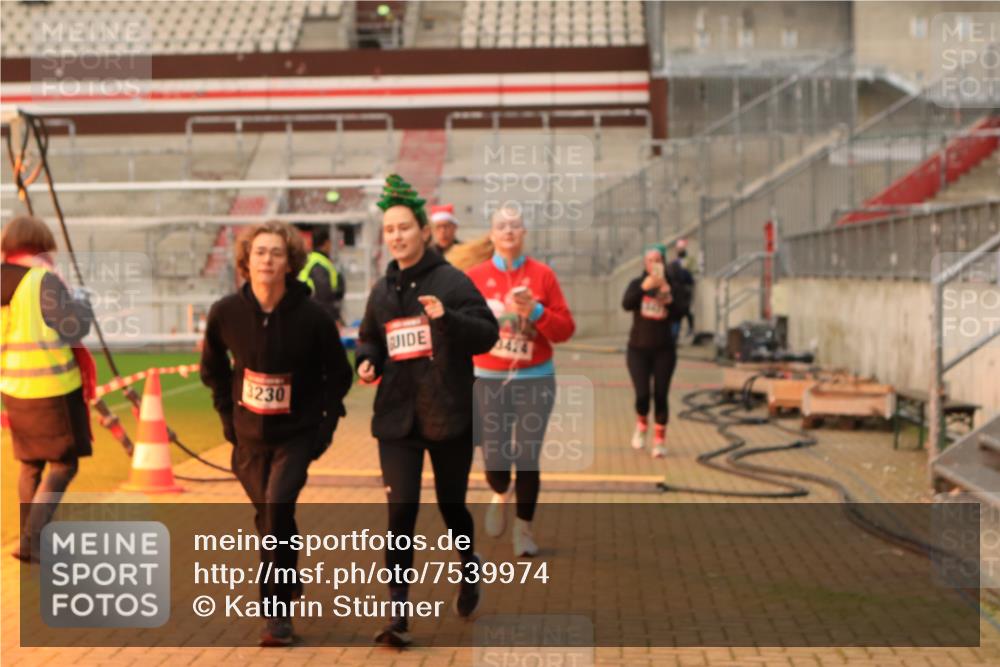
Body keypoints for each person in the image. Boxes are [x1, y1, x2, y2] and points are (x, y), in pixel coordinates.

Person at [356, 175, 499, 648]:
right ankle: (398, 613)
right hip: (397, 419)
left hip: (448, 414)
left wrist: (447, 318)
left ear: (422, 230)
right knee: (401, 512)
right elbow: (371, 337)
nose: (396, 235)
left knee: (451, 506)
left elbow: (487, 333)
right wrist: (368, 361)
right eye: (389, 229)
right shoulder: (381, 290)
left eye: (404, 227)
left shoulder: (452, 281)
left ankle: (468, 566)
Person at [200, 220, 353, 647]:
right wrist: (227, 421)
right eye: (260, 252)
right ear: (246, 262)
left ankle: (276, 614)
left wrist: (323, 428)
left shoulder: (314, 318)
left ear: (290, 263)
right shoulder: (226, 313)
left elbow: (338, 377)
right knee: (271, 519)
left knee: (276, 507)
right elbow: (212, 370)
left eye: (276, 253)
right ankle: (288, 571)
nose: (267, 259)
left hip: (296, 436)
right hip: (247, 439)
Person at [467, 206, 575, 558]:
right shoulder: (475, 277)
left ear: (524, 232)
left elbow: (566, 330)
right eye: (502, 225)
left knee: (527, 455)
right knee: (495, 457)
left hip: (535, 378)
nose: (509, 230)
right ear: (492, 235)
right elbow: (462, 326)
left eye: (515, 225)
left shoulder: (543, 275)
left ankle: (523, 529)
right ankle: (500, 491)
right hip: (488, 378)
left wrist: (537, 313)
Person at [1, 216, 95, 564]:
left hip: (13, 387)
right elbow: (73, 326)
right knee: (63, 463)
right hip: (51, 388)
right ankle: (32, 539)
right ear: (42, 242)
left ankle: (29, 538)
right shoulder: (42, 280)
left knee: (30, 464)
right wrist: (83, 303)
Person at [622, 244, 682, 458]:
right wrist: (644, 288)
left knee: (661, 394)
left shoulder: (671, 285)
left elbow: (680, 312)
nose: (654, 264)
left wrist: (668, 296)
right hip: (638, 349)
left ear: (663, 262)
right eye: (650, 261)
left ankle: (659, 440)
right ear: (644, 264)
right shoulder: (638, 283)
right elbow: (626, 304)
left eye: (658, 260)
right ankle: (641, 424)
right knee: (642, 394)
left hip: (664, 350)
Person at [297, 225, 345, 324]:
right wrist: (335, 318)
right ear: (326, 243)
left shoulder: (313, 260)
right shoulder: (319, 263)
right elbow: (324, 295)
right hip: (314, 317)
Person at [669, 239, 695, 339]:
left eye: (681, 248)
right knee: (678, 315)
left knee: (683, 313)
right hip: (680, 294)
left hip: (684, 292)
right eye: (678, 248)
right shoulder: (675, 263)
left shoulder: (688, 261)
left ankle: (686, 330)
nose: (679, 250)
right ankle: (675, 335)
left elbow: (691, 275)